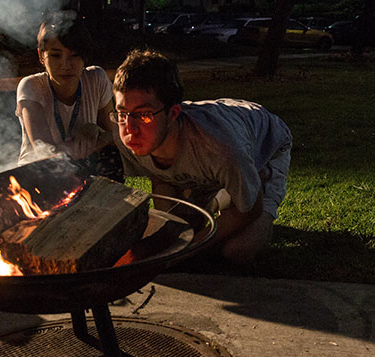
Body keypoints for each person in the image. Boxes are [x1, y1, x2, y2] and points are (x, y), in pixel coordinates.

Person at [111, 49, 291, 264]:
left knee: (236, 251)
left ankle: (244, 187)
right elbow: (159, 176)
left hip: (264, 147)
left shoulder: (221, 147)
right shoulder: (124, 133)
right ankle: (219, 198)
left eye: (144, 115)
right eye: (123, 113)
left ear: (173, 114)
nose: (130, 129)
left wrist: (191, 248)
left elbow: (251, 209)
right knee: (176, 233)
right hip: (211, 158)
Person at [15, 15, 122, 180]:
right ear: (41, 56)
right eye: (56, 56)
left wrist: (94, 131)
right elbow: (44, 151)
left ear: (85, 56)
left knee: (114, 158)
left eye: (75, 55)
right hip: (39, 173)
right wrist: (94, 141)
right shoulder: (31, 86)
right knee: (52, 168)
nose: (66, 65)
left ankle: (108, 203)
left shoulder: (96, 78)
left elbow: (114, 135)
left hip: (84, 164)